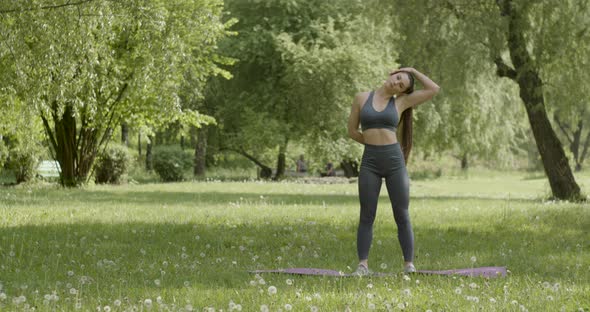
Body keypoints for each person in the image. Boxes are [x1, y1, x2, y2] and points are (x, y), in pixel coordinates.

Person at [347, 67, 440, 275]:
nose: (397, 83)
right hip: (370, 161)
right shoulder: (361, 98)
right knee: (366, 215)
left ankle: (409, 265)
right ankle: (362, 265)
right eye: (398, 78)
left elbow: (434, 89)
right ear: (391, 74)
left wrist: (413, 71)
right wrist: (372, 142)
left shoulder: (400, 102)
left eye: (401, 85)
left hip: (394, 162)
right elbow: (352, 131)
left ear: (401, 91)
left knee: (402, 214)